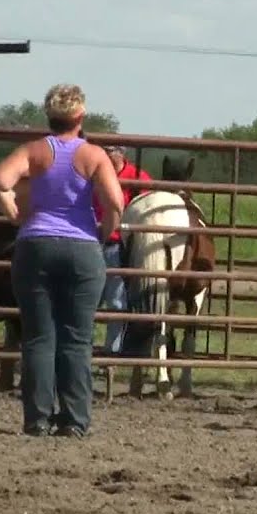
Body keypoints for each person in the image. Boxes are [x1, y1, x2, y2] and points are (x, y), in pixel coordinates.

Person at [0, 83, 124, 438]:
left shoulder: (33, 151)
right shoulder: (93, 155)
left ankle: (37, 419)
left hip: (35, 245)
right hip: (81, 250)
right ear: (80, 116)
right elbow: (115, 202)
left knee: (38, 337)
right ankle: (75, 420)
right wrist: (105, 232)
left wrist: (13, 211)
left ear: (49, 116)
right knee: (77, 339)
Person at [93, 143, 152, 356]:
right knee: (88, 298)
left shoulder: (138, 176)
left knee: (116, 301)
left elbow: (148, 207)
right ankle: (82, 349)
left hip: (118, 245)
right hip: (93, 240)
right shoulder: (94, 172)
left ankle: (112, 350)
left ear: (120, 153)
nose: (105, 155)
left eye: (108, 151)